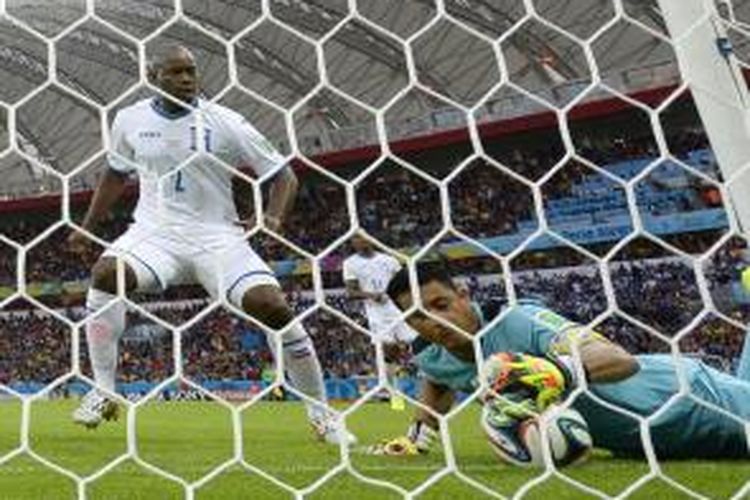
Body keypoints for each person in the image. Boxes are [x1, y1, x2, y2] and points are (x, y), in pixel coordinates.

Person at [67, 44, 354, 445]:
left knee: (272, 307)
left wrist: (272, 219)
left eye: (191, 71)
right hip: (155, 235)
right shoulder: (129, 119)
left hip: (217, 237)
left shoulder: (225, 121)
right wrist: (86, 227)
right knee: (105, 273)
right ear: (155, 76)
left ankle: (323, 416)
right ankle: (103, 390)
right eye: (176, 72)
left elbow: (283, 175)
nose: (187, 78)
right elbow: (115, 175)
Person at [384, 263, 750, 459]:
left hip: (695, 401)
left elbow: (620, 360)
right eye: (418, 316)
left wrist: (557, 371)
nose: (434, 321)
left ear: (463, 295)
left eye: (441, 305)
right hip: (647, 446)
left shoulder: (518, 320)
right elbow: (437, 379)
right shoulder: (429, 353)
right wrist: (418, 437)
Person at [342, 233, 417, 346]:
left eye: (362, 237)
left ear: (371, 239)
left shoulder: (389, 259)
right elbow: (351, 292)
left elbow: (402, 282)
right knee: (385, 345)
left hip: (396, 306)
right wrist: (373, 296)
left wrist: (392, 293)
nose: (360, 241)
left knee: (413, 340)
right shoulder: (350, 263)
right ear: (352, 244)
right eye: (356, 239)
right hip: (375, 310)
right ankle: (394, 362)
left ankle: (412, 361)